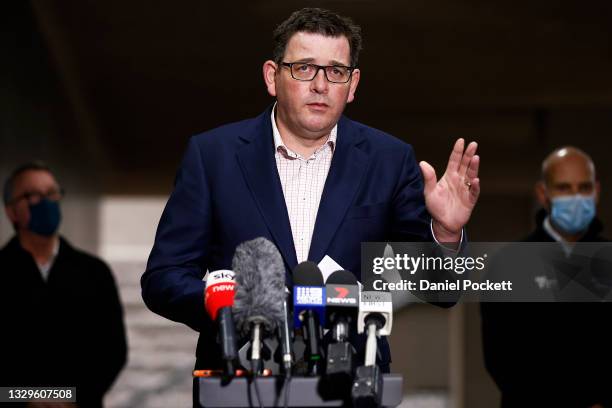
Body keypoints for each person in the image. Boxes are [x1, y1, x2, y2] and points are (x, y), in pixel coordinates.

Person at [142, 8, 480, 374]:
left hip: (350, 379)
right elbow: (165, 278)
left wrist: (445, 234)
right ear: (273, 77)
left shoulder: (389, 160)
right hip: (238, 374)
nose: (321, 85)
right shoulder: (212, 156)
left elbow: (440, 292)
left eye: (336, 71)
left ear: (352, 85)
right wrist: (233, 307)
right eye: (304, 68)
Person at [481, 147, 611, 407]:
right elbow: (501, 356)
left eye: (583, 187)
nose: (576, 197)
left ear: (596, 191)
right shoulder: (508, 264)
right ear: (543, 193)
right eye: (564, 188)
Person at [0, 162, 128, 408]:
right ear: (11, 211)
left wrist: (68, 399)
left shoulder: (94, 272)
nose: (46, 202)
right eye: (33, 195)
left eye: (51, 193)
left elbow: (112, 350)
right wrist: (27, 400)